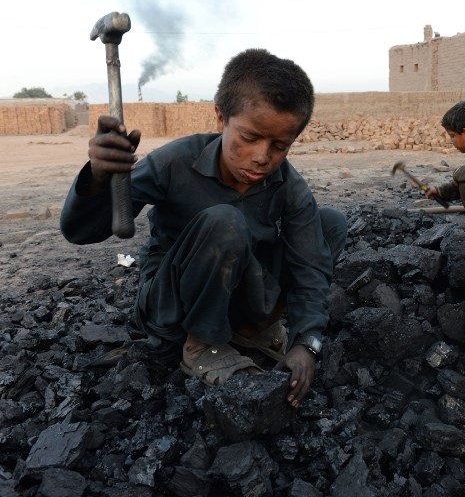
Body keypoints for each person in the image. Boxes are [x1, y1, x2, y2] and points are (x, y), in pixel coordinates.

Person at [60, 48, 347, 409]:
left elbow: (310, 268)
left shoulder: (288, 186)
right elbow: (81, 231)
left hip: (238, 297)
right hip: (171, 306)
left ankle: (251, 332)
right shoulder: (174, 162)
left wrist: (308, 343)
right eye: (249, 137)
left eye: (279, 146)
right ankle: (202, 344)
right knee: (225, 220)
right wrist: (98, 178)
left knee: (330, 223)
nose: (261, 156)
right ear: (220, 117)